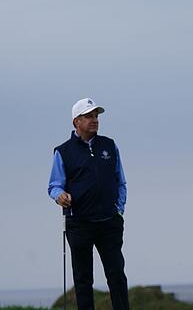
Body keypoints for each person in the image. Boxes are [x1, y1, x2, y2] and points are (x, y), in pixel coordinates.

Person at [48, 98, 129, 310]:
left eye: (96, 116)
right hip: (79, 223)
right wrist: (60, 196)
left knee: (117, 275)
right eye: (89, 116)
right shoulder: (63, 151)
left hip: (109, 222)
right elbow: (54, 186)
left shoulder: (109, 145)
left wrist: (118, 209)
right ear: (76, 121)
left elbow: (120, 181)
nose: (95, 120)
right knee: (83, 280)